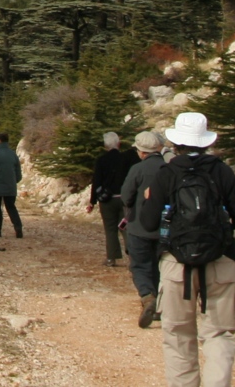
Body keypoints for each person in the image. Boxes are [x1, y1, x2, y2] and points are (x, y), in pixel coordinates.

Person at [152, 112, 235, 387]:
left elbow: (147, 221)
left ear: (177, 142)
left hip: (176, 265)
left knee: (178, 335)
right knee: (219, 334)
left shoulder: (167, 173)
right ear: (205, 141)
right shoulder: (222, 172)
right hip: (220, 261)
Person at [120, 130, 166, 328]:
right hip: (165, 228)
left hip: (139, 226)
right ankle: (161, 304)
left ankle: (148, 296)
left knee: (139, 265)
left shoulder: (137, 169)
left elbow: (126, 196)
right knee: (160, 266)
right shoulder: (169, 169)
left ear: (141, 151)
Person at [88, 131, 135, 266]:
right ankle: (132, 256)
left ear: (105, 145)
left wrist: (92, 201)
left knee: (110, 229)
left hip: (107, 200)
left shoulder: (101, 160)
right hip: (124, 198)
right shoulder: (125, 159)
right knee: (125, 227)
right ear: (119, 144)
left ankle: (111, 258)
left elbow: (96, 181)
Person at [0, 132, 23, 238]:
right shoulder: (13, 154)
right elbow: (18, 174)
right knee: (11, 207)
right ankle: (18, 227)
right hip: (10, 186)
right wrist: (12, 181)